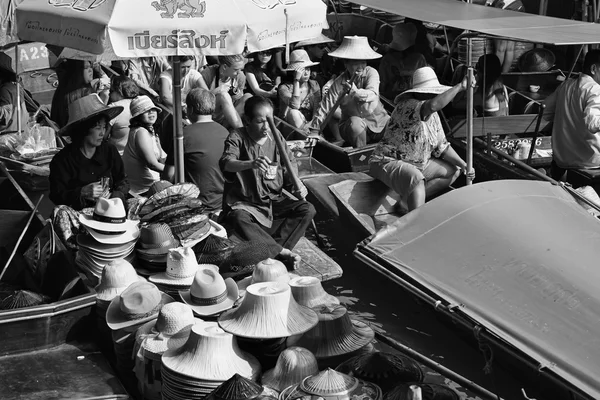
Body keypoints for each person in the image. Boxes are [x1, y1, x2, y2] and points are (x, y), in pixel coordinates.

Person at [219, 96, 316, 267]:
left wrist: (297, 185)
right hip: (246, 205)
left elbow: (289, 167)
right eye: (260, 121)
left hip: (271, 203)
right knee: (237, 217)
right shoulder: (237, 136)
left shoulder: (276, 136)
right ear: (248, 120)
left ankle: (275, 253)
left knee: (307, 209)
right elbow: (227, 163)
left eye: (269, 121)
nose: (266, 127)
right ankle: (281, 252)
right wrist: (250, 163)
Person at [369, 67, 473, 211]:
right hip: (387, 161)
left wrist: (464, 165)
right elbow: (433, 105)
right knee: (416, 179)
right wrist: (461, 86)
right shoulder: (408, 105)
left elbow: (442, 147)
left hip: (418, 164)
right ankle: (417, 222)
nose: (433, 95)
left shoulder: (434, 116)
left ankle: (406, 202)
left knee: (453, 170)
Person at [307, 36, 389, 147]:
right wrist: (315, 130)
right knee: (355, 124)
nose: (360, 67)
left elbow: (372, 94)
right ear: (346, 64)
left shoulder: (371, 72)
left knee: (394, 123)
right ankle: (360, 158)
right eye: (356, 63)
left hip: (379, 123)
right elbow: (325, 107)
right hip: (354, 128)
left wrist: (354, 91)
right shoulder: (339, 82)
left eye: (363, 62)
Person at [163, 88, 229, 213]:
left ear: (191, 110)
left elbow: (168, 175)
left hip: (194, 206)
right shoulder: (225, 132)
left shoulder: (182, 136)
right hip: (222, 202)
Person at [544, 50, 600, 179]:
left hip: (562, 160)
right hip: (589, 163)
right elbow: (593, 124)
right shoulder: (595, 90)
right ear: (594, 68)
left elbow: (546, 110)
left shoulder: (566, 85)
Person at [123, 95, 165, 195]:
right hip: (145, 191)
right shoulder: (141, 132)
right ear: (138, 116)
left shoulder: (150, 130)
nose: (151, 112)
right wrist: (178, 170)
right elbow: (152, 164)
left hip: (149, 186)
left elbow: (163, 156)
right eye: (146, 111)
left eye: (153, 109)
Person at [51, 59, 109, 128]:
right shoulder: (85, 93)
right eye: (86, 68)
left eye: (91, 67)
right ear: (77, 71)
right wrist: (104, 96)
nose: (90, 70)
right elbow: (96, 121)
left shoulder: (63, 89)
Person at [378, 22, 428, 100]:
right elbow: (425, 82)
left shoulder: (387, 59)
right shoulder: (420, 58)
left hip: (392, 98)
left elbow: (382, 84)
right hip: (413, 98)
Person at [199, 54, 251, 129]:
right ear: (225, 67)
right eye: (236, 69)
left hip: (230, 114)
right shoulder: (208, 73)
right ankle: (240, 130)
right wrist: (217, 91)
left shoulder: (240, 76)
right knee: (223, 95)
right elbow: (200, 99)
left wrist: (237, 95)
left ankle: (228, 128)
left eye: (241, 69)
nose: (239, 72)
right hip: (211, 112)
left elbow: (240, 96)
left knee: (248, 96)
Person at [278, 50, 321, 130]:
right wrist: (296, 81)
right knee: (293, 113)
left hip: (309, 125)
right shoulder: (284, 88)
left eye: (308, 69)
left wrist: (312, 125)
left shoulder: (314, 85)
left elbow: (317, 109)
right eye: (302, 70)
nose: (306, 73)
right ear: (294, 71)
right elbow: (295, 105)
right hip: (289, 127)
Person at [107, 76, 139, 155]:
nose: (109, 93)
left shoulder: (113, 107)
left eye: (111, 90)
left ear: (118, 91)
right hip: (137, 155)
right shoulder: (140, 103)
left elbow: (103, 136)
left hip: (117, 155)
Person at [0, 53, 28, 134]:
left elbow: (5, 116)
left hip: (7, 137)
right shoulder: (17, 87)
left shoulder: (4, 90)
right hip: (19, 133)